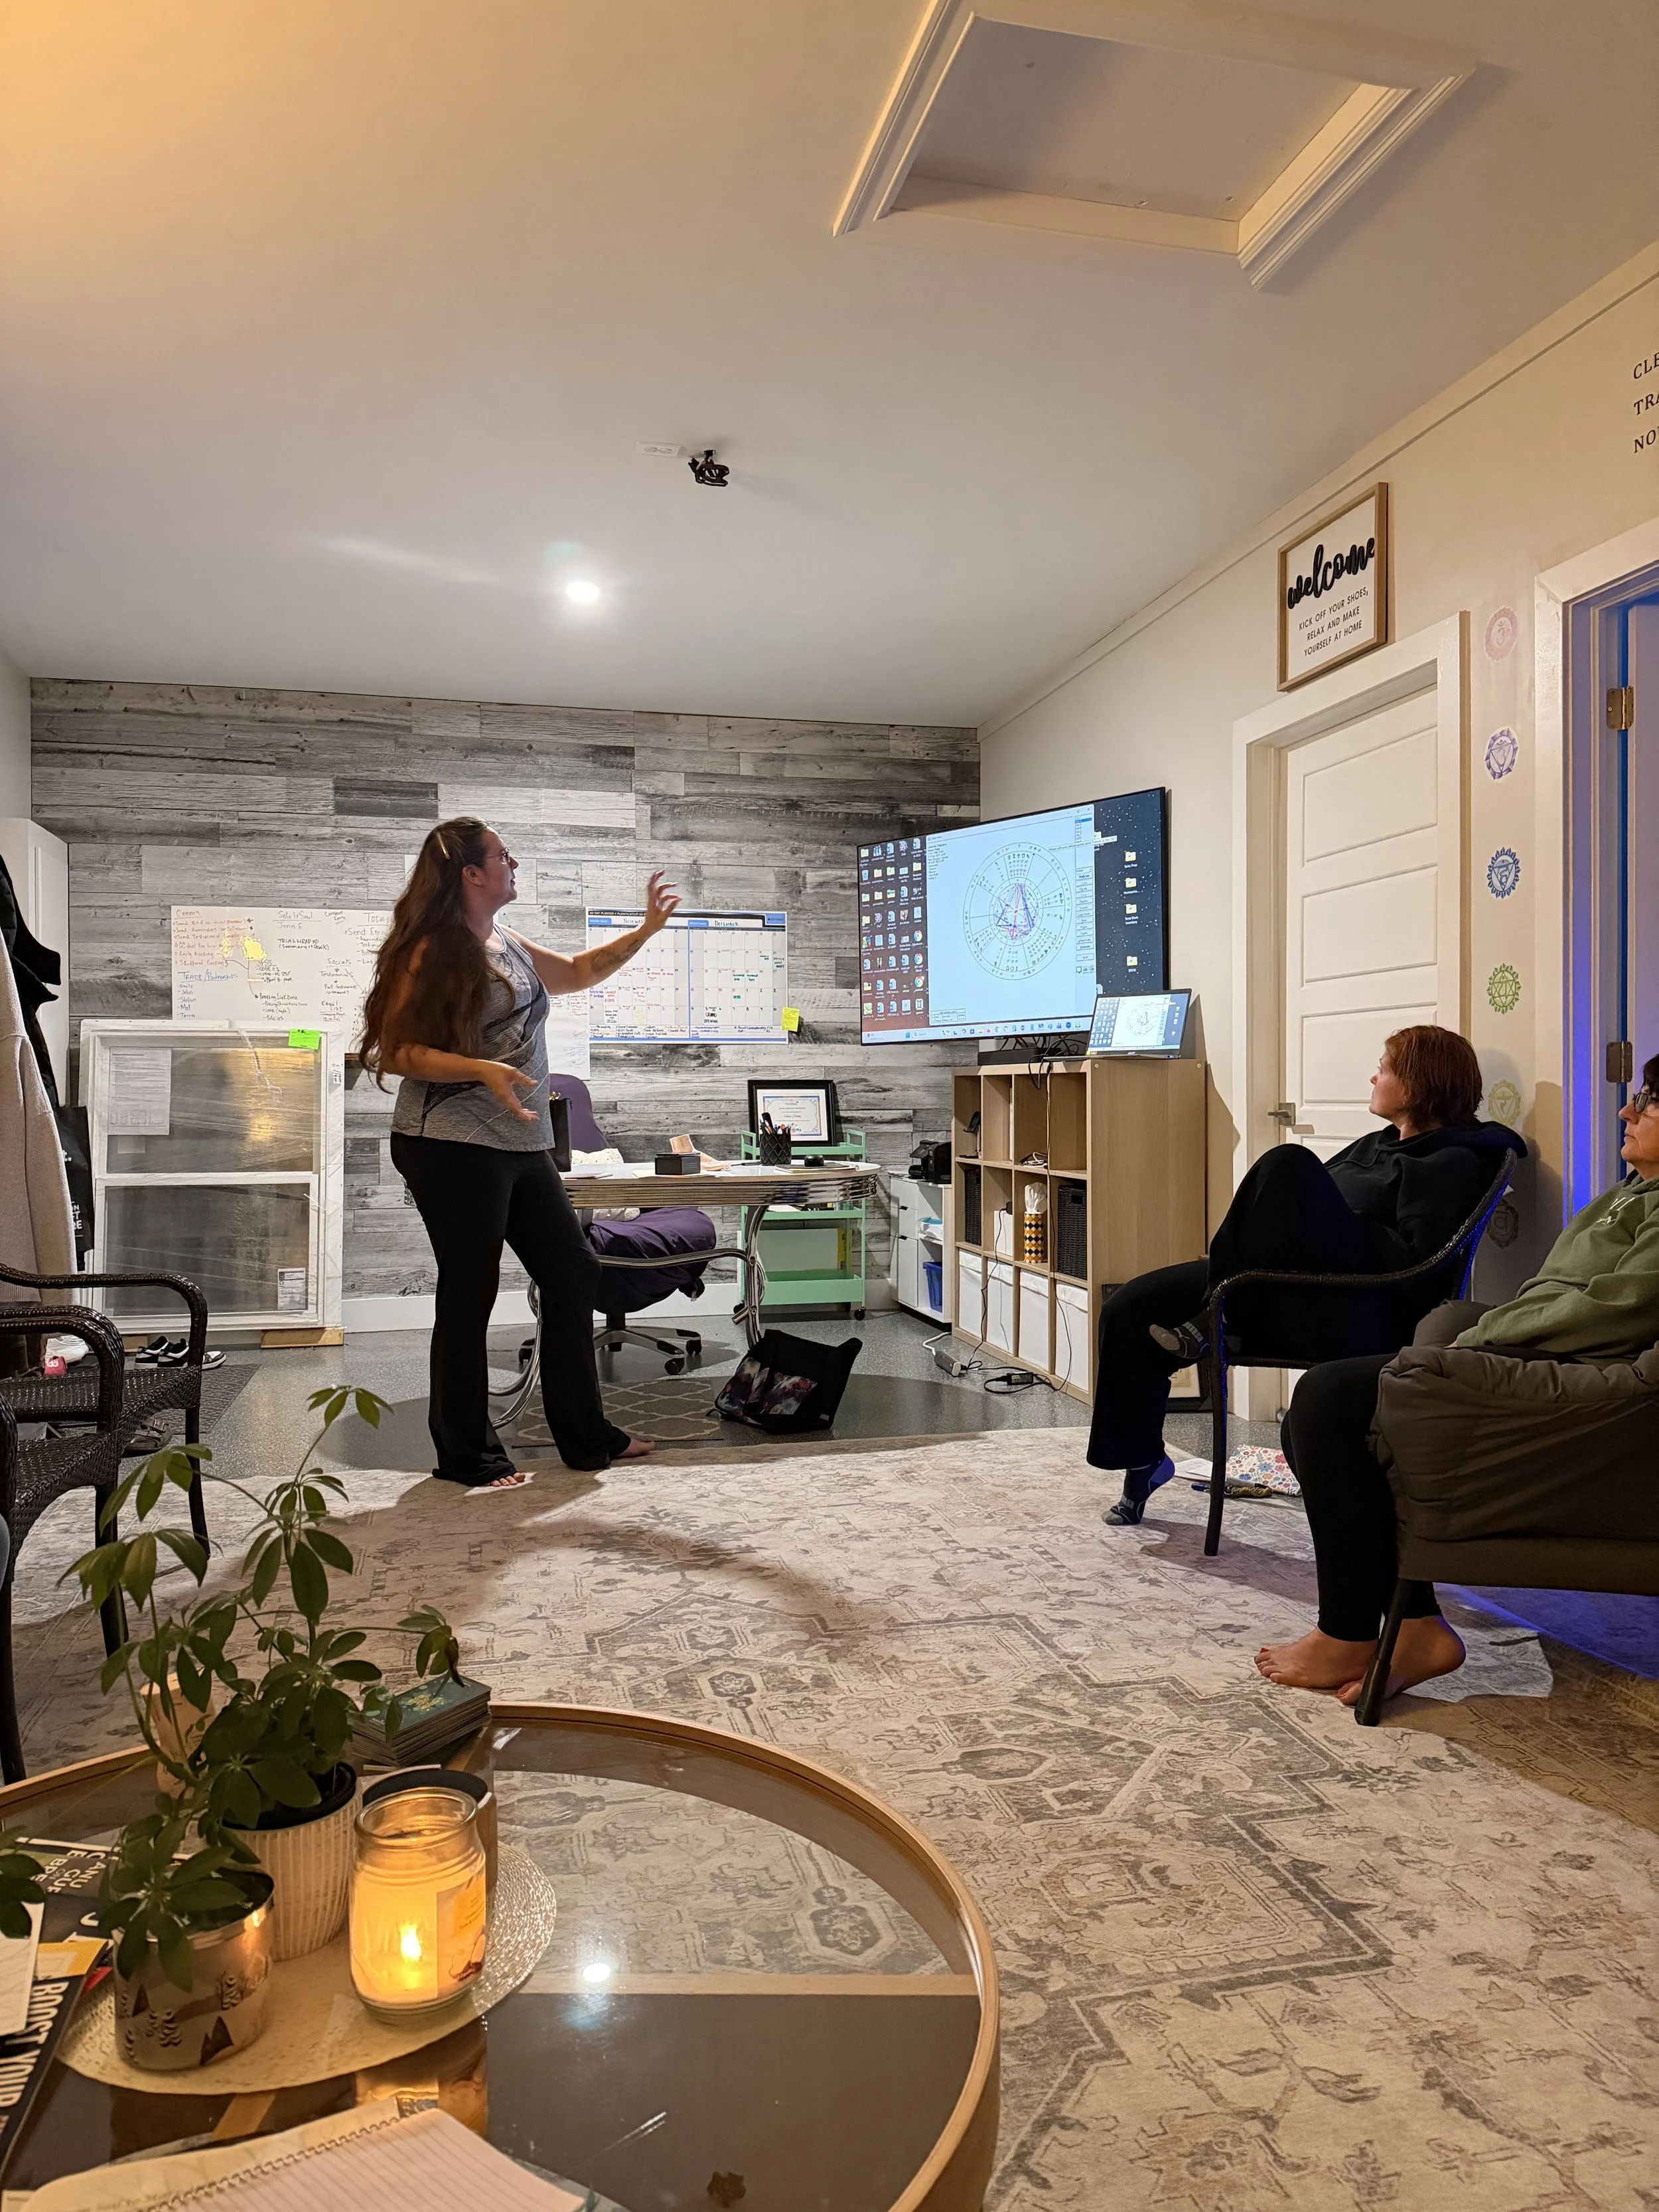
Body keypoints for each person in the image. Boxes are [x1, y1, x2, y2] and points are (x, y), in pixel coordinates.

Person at [1260, 1057, 1659, 1704]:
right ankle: (1414, 1625)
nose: (1625, 1110)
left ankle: (1350, 1631)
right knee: (1327, 1407)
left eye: (1646, 1101)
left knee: (1326, 1400)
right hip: (1528, 1349)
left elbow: (1612, 1312)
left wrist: (1477, 1341)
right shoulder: (1632, 1193)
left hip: (1575, 1381)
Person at [1090, 1025, 1524, 1525]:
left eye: (1383, 1068)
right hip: (1275, 1281)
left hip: (1347, 1302)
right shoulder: (1376, 1144)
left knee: (1287, 1162)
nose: (1372, 1077)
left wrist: (1336, 1234)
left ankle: (1217, 1318)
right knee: (1130, 1307)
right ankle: (1144, 1458)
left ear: (1416, 1084)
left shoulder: (1453, 1160)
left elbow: (1418, 1263)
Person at [360, 817, 680, 1489]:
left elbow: (580, 971)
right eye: (503, 857)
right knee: (469, 1292)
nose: (514, 864)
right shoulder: (430, 950)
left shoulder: (505, 942)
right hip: (447, 1142)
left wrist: (646, 931)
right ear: (472, 874)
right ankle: (466, 1455)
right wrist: (482, 1071)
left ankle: (586, 1434)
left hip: (520, 1141)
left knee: (572, 1271)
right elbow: (397, 1052)